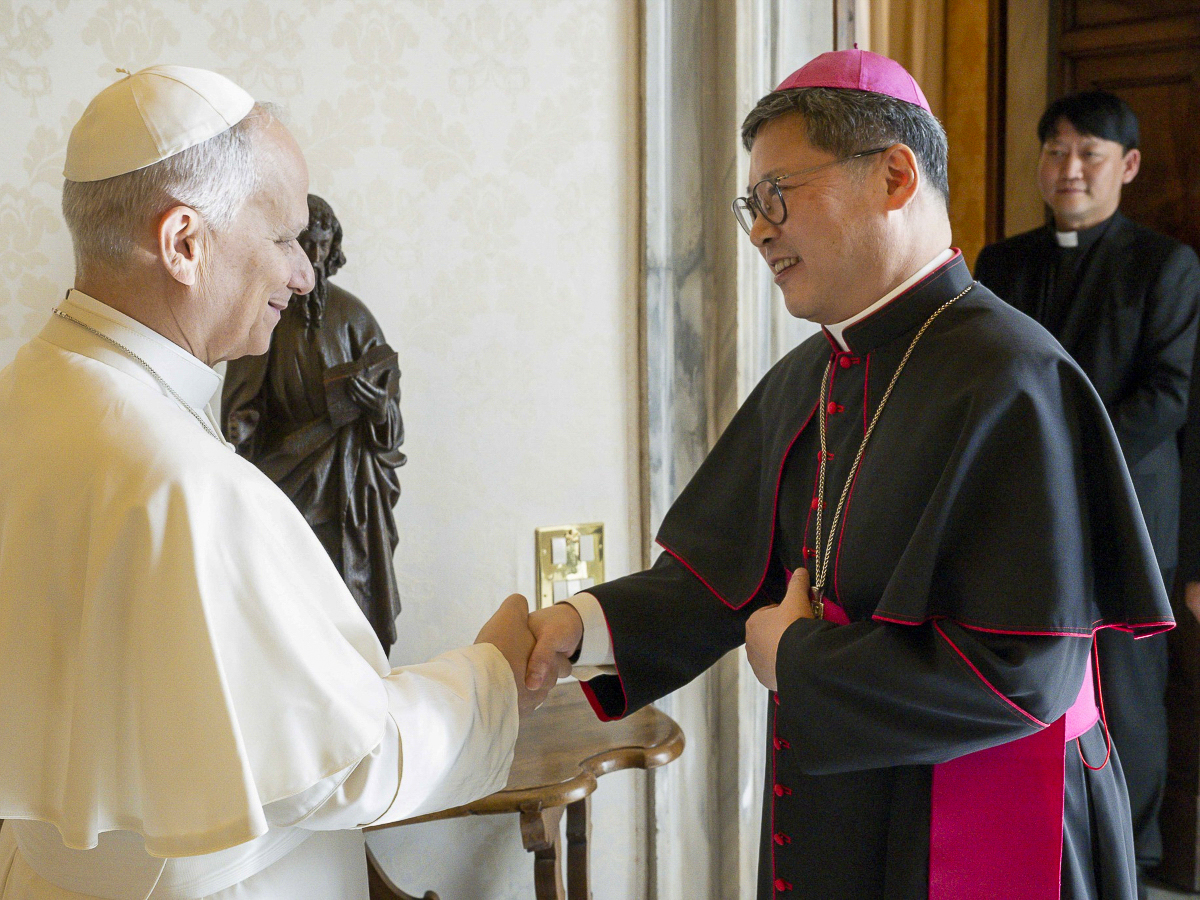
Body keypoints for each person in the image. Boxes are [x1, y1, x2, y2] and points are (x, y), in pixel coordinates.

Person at [525, 50, 1173, 900]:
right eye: (749, 206)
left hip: (978, 817)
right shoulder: (812, 375)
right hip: (840, 810)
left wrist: (794, 659)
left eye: (778, 196)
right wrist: (578, 626)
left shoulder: (1015, 376)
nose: (759, 229)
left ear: (896, 176)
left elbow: (1020, 679)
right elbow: (720, 576)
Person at [0, 65, 546, 900]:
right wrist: (496, 673)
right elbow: (351, 761)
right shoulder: (184, 485)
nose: (303, 275)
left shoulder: (28, 390)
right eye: (285, 237)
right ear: (185, 242)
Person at [974, 90, 1200, 881]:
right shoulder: (1002, 264)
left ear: (1127, 166)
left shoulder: (1167, 266)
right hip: (1027, 522)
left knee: (1131, 701)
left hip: (1131, 519)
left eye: (1089, 154)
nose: (1068, 169)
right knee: (1034, 688)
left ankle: (1128, 863)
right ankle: (1044, 851)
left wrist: (1063, 451)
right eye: (1055, 151)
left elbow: (1169, 397)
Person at [223, 194, 406, 657]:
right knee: (292, 618)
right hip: (286, 485)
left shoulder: (355, 317)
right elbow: (243, 406)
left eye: (324, 245)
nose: (316, 258)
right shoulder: (265, 318)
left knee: (354, 616)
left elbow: (391, 424)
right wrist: (237, 434)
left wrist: (378, 409)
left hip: (350, 494)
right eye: (307, 244)